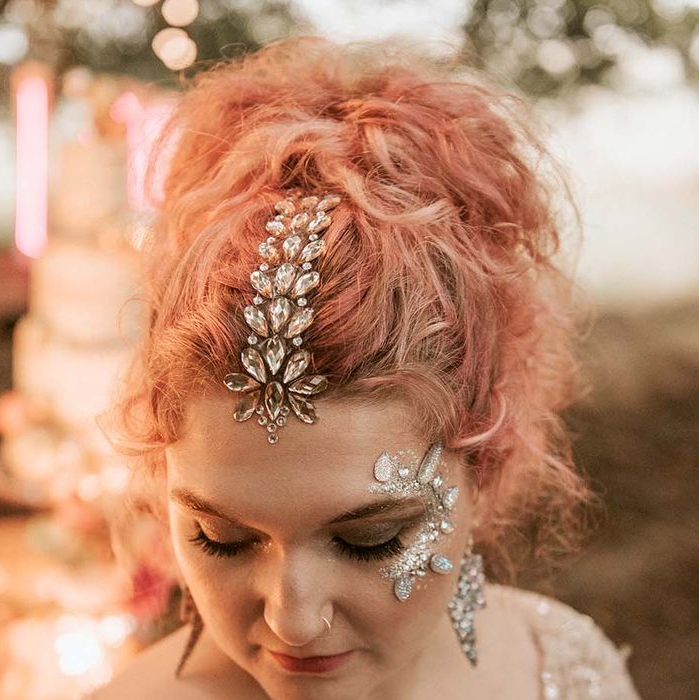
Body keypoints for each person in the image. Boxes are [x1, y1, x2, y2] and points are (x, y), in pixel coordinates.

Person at [89, 37, 640, 699]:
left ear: (484, 469)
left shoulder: (565, 668)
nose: (293, 620)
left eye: (371, 540)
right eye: (221, 538)